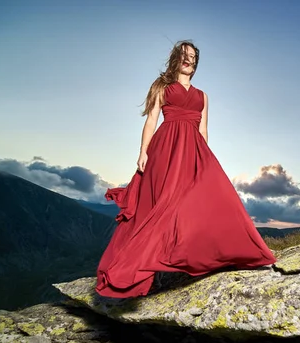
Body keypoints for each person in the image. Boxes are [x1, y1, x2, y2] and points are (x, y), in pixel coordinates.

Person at [95, 40, 277, 298]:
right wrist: (142, 152)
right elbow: (151, 121)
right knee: (161, 205)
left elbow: (203, 130)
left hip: (193, 150)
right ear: (176, 59)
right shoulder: (162, 87)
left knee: (212, 200)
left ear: (196, 64)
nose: (188, 59)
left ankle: (228, 253)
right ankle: (145, 264)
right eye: (184, 55)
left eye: (193, 56)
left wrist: (203, 161)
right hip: (165, 150)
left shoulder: (203, 96)